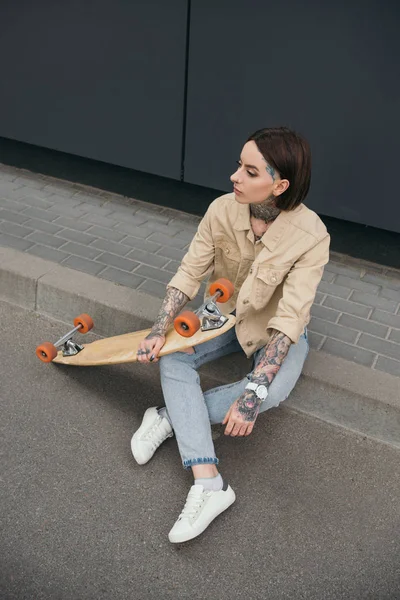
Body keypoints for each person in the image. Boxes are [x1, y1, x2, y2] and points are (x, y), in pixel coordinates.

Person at [131, 126, 330, 544]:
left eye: (249, 170)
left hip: (272, 329)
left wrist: (252, 394)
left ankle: (169, 417)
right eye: (239, 165)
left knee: (270, 394)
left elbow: (291, 318)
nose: (234, 176)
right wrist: (158, 329)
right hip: (221, 314)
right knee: (173, 355)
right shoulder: (222, 209)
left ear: (279, 185)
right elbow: (190, 272)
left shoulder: (312, 235)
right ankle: (210, 484)